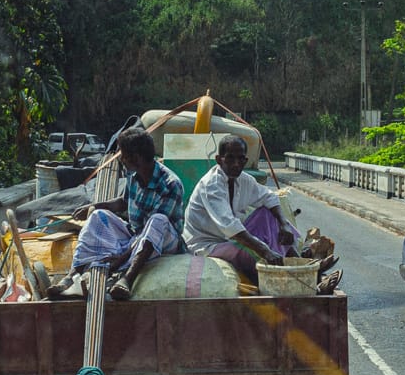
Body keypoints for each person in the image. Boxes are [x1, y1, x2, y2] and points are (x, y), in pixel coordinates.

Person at [184, 135, 337, 289]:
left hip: (229, 238)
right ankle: (296, 281)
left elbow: (269, 197)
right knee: (250, 253)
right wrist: (265, 250)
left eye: (240, 159)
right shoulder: (211, 185)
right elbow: (230, 226)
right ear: (219, 159)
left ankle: (302, 266)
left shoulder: (244, 180)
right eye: (230, 158)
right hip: (207, 245)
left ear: (245, 160)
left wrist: (284, 224)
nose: (236, 164)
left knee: (268, 215)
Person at [71, 127, 184, 300]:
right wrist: (94, 206)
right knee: (97, 215)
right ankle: (73, 274)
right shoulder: (134, 175)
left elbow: (155, 228)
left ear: (136, 158)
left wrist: (118, 262)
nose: (121, 159)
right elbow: (123, 202)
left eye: (123, 155)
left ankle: (127, 279)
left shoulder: (170, 184)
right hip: (136, 235)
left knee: (158, 219)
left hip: (164, 241)